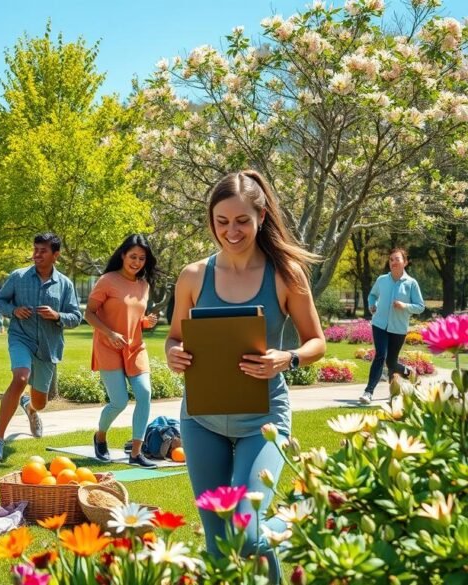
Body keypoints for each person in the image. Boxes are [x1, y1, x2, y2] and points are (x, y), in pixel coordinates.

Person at [165, 170, 325, 585]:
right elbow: (174, 338)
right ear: (211, 221)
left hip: (264, 419)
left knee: (248, 533)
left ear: (261, 216)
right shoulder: (193, 276)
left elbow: (316, 343)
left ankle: (298, 523)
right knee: (220, 547)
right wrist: (173, 355)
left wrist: (286, 358)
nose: (231, 231)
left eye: (241, 221)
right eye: (222, 221)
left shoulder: (286, 274)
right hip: (201, 420)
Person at [0, 233, 82, 462]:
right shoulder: (18, 277)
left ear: (55, 255)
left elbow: (77, 316)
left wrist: (57, 315)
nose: (37, 255)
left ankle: (29, 407)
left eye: (43, 251)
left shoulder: (65, 284)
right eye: (35, 250)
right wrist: (14, 311)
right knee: (20, 378)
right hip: (21, 337)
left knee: (41, 402)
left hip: (48, 347)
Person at [85, 234, 161, 468]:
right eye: (133, 256)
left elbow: (132, 317)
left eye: (141, 258)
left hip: (135, 347)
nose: (137, 262)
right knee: (118, 402)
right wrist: (110, 333)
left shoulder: (144, 285)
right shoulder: (107, 280)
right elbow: (89, 313)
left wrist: (144, 322)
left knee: (144, 393)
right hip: (108, 346)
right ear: (123, 256)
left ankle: (136, 453)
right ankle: (100, 437)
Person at [358, 247, 424, 405]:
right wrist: (372, 304)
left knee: (391, 363)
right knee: (380, 355)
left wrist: (404, 306)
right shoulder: (382, 280)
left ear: (405, 262)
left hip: (398, 329)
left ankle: (408, 373)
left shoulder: (411, 283)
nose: (393, 262)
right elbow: (372, 295)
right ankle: (368, 392)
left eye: (397, 259)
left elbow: (420, 306)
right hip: (379, 324)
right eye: (391, 259)